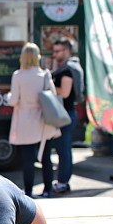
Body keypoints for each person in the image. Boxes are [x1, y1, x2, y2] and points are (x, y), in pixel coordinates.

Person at [7, 43, 60, 198]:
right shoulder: (45, 75)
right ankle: (47, 190)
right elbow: (53, 95)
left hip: (25, 120)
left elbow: (13, 100)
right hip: (43, 119)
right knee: (46, 158)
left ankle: (29, 191)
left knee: (28, 159)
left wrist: (7, 97)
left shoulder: (18, 75)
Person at [49, 38, 82, 194]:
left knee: (63, 150)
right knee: (63, 149)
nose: (54, 54)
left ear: (67, 51)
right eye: (54, 51)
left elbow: (65, 92)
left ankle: (63, 182)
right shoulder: (64, 68)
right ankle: (63, 180)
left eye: (58, 51)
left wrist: (49, 88)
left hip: (65, 114)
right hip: (65, 113)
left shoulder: (67, 70)